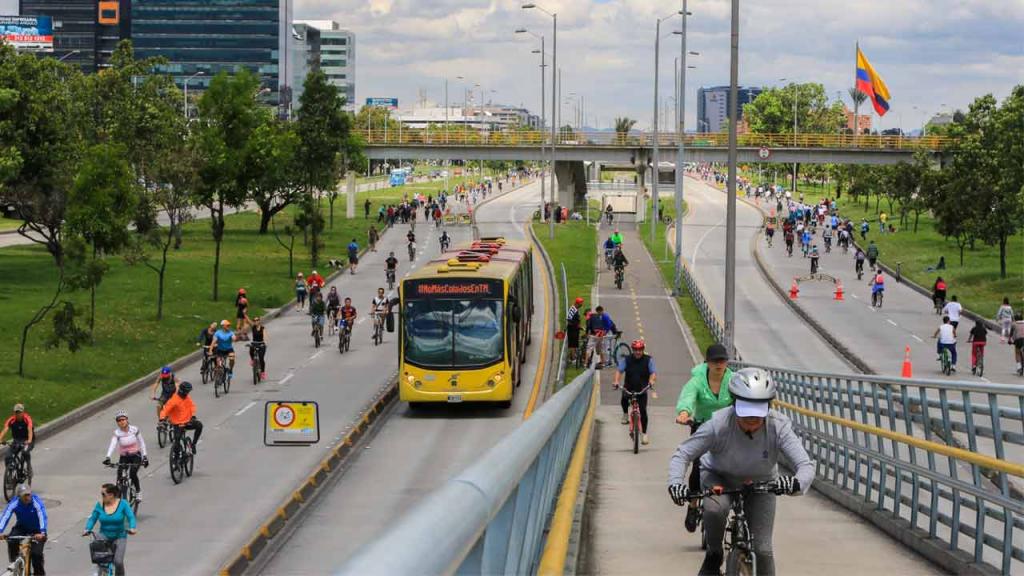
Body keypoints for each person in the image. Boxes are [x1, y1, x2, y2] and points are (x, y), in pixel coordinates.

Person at [667, 368, 814, 576]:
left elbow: (805, 465)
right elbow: (683, 453)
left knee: (763, 550)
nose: (752, 420)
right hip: (719, 477)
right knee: (715, 510)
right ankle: (714, 553)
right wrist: (675, 483)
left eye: (758, 413)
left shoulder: (778, 426)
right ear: (734, 404)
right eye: (746, 413)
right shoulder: (718, 424)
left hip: (762, 483)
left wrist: (796, 483)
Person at [675, 343, 734, 532]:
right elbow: (688, 397)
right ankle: (693, 506)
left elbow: (743, 398)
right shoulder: (697, 380)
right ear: (707, 362)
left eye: (722, 360)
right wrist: (684, 412)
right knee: (698, 467)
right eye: (715, 360)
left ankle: (737, 509)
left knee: (733, 466)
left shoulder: (733, 380)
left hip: (726, 430)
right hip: (701, 427)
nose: (719, 364)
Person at [82, 483, 137, 576]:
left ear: (111, 495)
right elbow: (93, 518)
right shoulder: (99, 505)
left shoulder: (123, 504)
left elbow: (131, 517)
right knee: (100, 559)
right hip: (104, 535)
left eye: (103, 494)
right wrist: (87, 529)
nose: (101, 496)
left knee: (118, 562)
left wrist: (132, 528)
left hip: (119, 536)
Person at [612, 340, 657, 445]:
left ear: (643, 350)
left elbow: (653, 373)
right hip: (629, 387)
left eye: (640, 350)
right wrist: (616, 381)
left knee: (643, 411)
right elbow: (619, 371)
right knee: (624, 399)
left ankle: (644, 434)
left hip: (642, 389)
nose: (638, 352)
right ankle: (625, 414)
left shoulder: (648, 360)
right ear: (632, 350)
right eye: (636, 350)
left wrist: (651, 381)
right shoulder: (627, 360)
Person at [0, 484, 47, 575]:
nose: (28, 497)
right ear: (19, 497)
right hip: (22, 527)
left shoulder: (36, 502)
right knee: (11, 539)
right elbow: (5, 515)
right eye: (25, 495)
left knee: (36, 555)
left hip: (37, 531)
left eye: (29, 494)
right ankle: (15, 562)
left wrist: (42, 532)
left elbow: (42, 516)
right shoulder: (15, 503)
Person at [103, 410, 149, 500]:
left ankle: (138, 491)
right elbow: (112, 444)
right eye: (119, 420)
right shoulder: (117, 433)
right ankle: (119, 497)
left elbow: (142, 443)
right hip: (124, 457)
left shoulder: (134, 429)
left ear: (127, 420)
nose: (121, 422)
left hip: (135, 456)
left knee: (132, 473)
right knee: (119, 475)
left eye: (123, 419)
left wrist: (145, 457)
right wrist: (108, 457)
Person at [159, 381, 202, 453]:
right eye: (187, 392)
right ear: (182, 391)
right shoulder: (174, 400)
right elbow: (165, 410)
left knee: (199, 425)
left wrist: (193, 415)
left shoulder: (187, 397)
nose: (188, 393)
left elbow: (192, 406)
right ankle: (176, 457)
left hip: (188, 421)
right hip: (178, 424)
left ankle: (193, 444)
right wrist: (162, 419)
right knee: (177, 440)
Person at [1, 404, 34, 473]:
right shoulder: (11, 420)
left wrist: (29, 440)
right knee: (8, 456)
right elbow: (5, 430)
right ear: (14, 412)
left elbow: (30, 429)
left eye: (20, 412)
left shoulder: (27, 419)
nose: (18, 414)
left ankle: (28, 465)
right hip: (16, 440)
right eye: (16, 412)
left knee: (25, 452)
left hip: (27, 440)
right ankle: (10, 474)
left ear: (23, 412)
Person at [250, 316, 268, 380]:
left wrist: (265, 342)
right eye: (254, 320)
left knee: (261, 358)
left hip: (261, 344)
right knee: (251, 348)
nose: (256, 321)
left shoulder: (263, 328)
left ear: (259, 321)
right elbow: (248, 321)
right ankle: (252, 360)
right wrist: (244, 314)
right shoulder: (253, 327)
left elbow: (265, 335)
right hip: (255, 343)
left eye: (257, 320)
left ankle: (262, 372)